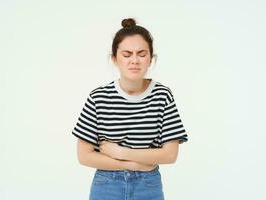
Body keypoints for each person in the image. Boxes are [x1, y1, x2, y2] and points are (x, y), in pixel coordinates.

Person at [72, 17, 188, 200]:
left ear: (151, 59)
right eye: (126, 54)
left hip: (148, 184)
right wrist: (135, 165)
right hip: (106, 184)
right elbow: (84, 156)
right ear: (114, 59)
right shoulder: (98, 97)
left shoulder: (162, 95)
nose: (134, 60)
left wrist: (121, 153)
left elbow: (170, 154)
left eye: (142, 54)